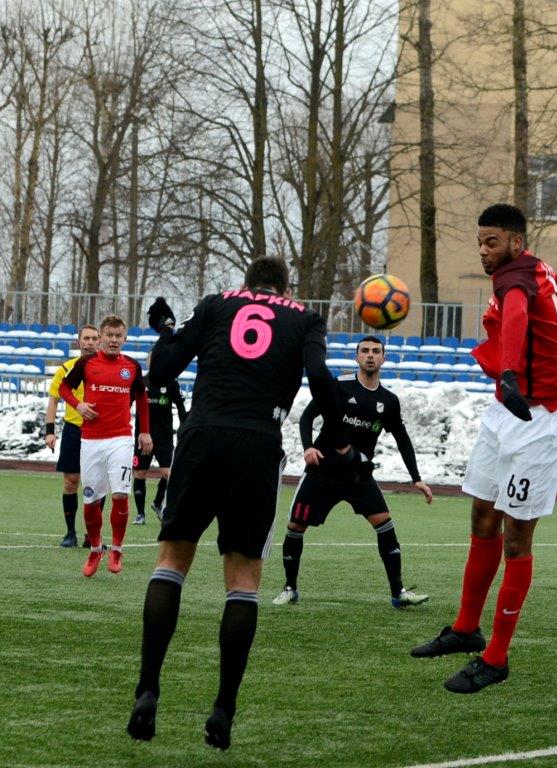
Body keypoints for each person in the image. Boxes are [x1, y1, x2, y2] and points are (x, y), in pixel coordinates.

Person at [127, 259, 353, 751]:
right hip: (256, 443)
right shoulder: (305, 317)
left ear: (247, 284)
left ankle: (148, 689)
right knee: (244, 579)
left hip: (201, 435)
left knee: (171, 562)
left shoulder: (216, 304)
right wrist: (336, 436)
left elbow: (161, 371)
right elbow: (319, 373)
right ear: (285, 289)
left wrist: (166, 330)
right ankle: (223, 708)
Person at [410, 203, 557, 693]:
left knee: (516, 538)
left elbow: (518, 313)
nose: (483, 251)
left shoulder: (515, 277)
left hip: (537, 421)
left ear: (516, 243)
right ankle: (466, 628)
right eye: (480, 242)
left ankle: (496, 658)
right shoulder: (520, 270)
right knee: (483, 514)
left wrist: (509, 370)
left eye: (492, 242)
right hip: (505, 412)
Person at [272, 335, 433, 608]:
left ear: (384, 358)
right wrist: (308, 447)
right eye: (365, 350)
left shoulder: (388, 400)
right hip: (322, 470)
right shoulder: (339, 386)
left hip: (358, 474)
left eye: (376, 351)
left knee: (384, 523)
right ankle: (290, 588)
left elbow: (402, 439)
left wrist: (416, 478)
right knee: (296, 526)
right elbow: (308, 416)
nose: (370, 355)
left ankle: (399, 593)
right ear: (357, 357)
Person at [58, 316, 152, 576]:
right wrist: (78, 405)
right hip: (90, 440)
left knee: (120, 494)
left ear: (125, 338)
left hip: (121, 439)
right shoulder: (86, 363)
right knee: (91, 499)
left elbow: (142, 399)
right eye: (109, 335)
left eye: (118, 336)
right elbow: (64, 388)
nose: (113, 340)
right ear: (100, 337)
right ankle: (95, 549)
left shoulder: (131, 366)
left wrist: (145, 431)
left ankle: (117, 549)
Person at [45, 324, 100, 547]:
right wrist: (50, 432)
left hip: (99, 433)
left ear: (99, 341)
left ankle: (92, 536)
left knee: (97, 485)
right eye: (86, 338)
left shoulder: (107, 369)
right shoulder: (66, 368)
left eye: (94, 338)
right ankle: (70, 533)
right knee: (71, 481)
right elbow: (53, 400)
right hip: (73, 431)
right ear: (79, 342)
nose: (90, 342)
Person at [132, 370, 187, 525]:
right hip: (143, 436)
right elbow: (126, 402)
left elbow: (181, 407)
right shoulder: (141, 382)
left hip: (164, 438)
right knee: (140, 473)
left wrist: (185, 427)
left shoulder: (171, 383)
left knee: (167, 474)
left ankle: (157, 503)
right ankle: (140, 514)